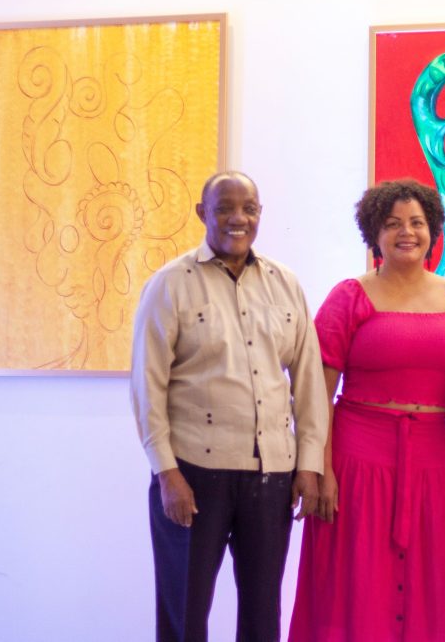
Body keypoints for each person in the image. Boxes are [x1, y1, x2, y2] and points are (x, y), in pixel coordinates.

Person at [130, 171, 328, 642]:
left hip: (271, 477)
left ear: (260, 214)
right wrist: (166, 473)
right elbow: (146, 386)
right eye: (224, 208)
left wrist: (309, 464)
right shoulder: (170, 284)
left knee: (263, 616)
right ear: (203, 213)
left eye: (249, 209)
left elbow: (308, 380)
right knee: (184, 612)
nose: (238, 218)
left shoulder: (285, 284)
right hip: (193, 475)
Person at [289, 179, 445, 642]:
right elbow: (317, 393)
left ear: (433, 231)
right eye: (393, 224)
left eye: (417, 223)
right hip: (356, 465)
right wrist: (320, 470)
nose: (406, 232)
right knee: (355, 587)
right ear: (374, 234)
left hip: (437, 469)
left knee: (431, 587)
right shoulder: (349, 296)